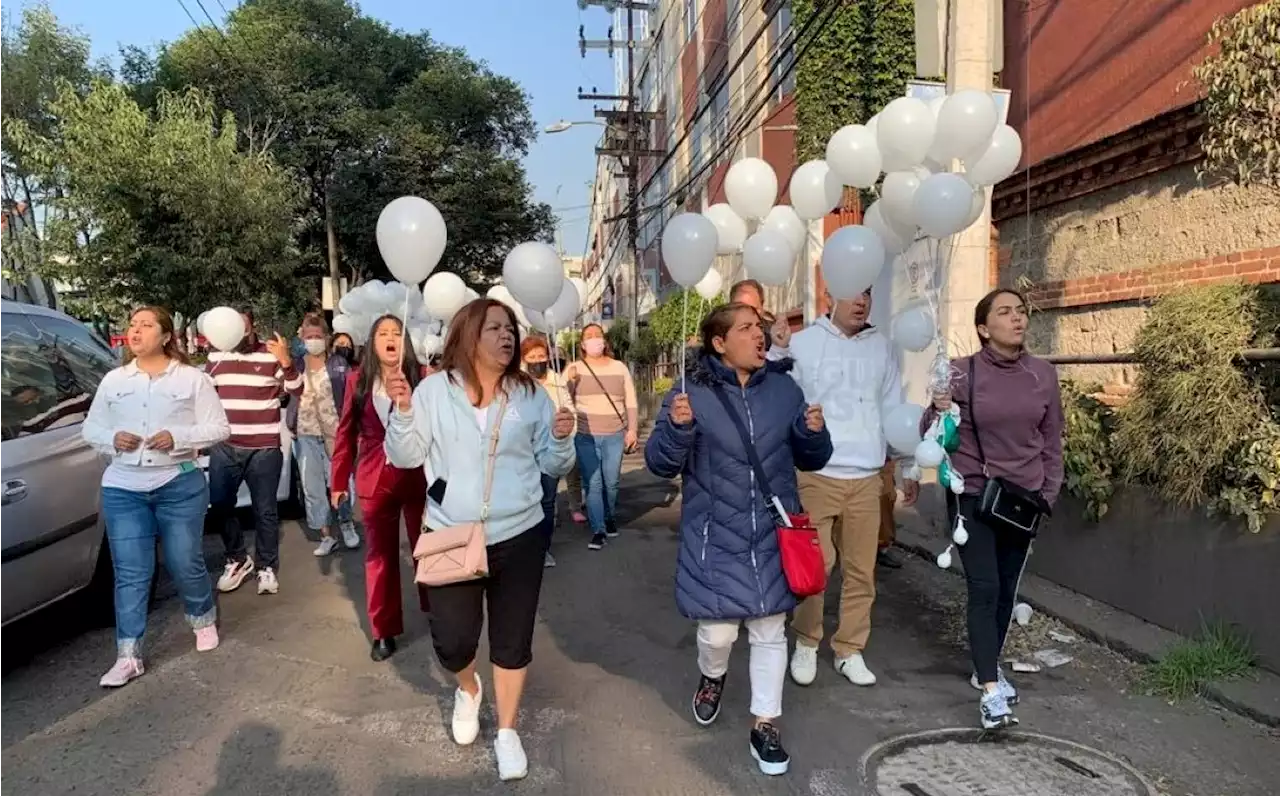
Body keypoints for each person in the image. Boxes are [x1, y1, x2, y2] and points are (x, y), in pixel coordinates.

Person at [384, 299, 575, 782]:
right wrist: (403, 411)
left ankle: (508, 731)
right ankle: (468, 689)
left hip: (521, 533)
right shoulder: (430, 391)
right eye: (495, 328)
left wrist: (561, 438)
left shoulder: (531, 395)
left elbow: (553, 465)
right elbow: (405, 457)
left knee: (513, 640)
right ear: (468, 334)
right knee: (452, 641)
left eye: (510, 328)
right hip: (450, 534)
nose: (507, 337)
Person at [645, 303, 832, 776]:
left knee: (771, 629)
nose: (759, 336)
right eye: (746, 329)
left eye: (760, 327)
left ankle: (764, 724)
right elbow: (660, 463)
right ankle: (712, 677)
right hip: (716, 534)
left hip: (773, 531)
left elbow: (811, 457)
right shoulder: (689, 393)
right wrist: (678, 429)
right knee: (719, 631)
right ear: (719, 343)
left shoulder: (784, 388)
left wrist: (813, 433)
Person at [924, 288, 1063, 729]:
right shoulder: (960, 373)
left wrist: (1049, 494)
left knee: (1005, 589)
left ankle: (988, 663)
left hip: (1023, 501)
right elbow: (929, 432)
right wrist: (937, 407)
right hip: (973, 496)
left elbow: (1052, 440)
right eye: (1005, 312)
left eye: (1021, 311)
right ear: (984, 328)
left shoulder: (1043, 374)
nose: (1017, 318)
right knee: (983, 588)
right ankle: (989, 690)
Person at [771, 287, 918, 689]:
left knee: (861, 570)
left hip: (867, 474)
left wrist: (905, 465)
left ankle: (849, 648)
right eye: (854, 293)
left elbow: (892, 406)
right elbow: (777, 394)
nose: (863, 302)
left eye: (869, 293)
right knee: (815, 568)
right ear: (831, 292)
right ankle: (805, 641)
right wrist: (777, 352)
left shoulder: (882, 348)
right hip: (817, 472)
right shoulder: (802, 343)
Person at [82, 306, 230, 687]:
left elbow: (219, 427)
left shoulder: (192, 379)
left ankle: (202, 617)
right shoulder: (114, 381)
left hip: (178, 484)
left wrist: (178, 439)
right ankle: (128, 655)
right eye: (132, 325)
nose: (136, 331)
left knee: (184, 561)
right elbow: (91, 428)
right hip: (124, 488)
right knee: (131, 573)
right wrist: (110, 439)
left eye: (146, 325)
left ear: (165, 336)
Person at [330, 314, 430, 662]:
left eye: (398, 333)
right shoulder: (358, 381)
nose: (391, 338)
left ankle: (436, 608)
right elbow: (345, 433)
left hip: (418, 474)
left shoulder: (424, 377)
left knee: (427, 547)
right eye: (383, 333)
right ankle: (383, 630)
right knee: (380, 557)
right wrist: (339, 480)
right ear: (372, 342)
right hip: (375, 477)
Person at [206, 309, 302, 596]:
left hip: (263, 449)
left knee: (265, 511)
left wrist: (286, 362)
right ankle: (237, 558)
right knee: (220, 505)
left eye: (243, 326)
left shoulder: (270, 355)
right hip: (225, 447)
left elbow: (298, 390)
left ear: (251, 327)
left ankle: (266, 566)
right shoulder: (215, 358)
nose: (238, 333)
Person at [287, 313, 359, 556]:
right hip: (306, 433)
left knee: (340, 481)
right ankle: (326, 534)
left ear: (327, 338)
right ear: (302, 338)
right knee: (312, 486)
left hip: (335, 433)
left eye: (318, 336)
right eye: (309, 337)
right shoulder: (296, 364)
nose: (314, 340)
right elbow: (287, 389)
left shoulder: (338, 363)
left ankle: (347, 524)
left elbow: (351, 394)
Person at [564, 323, 637, 550]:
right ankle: (598, 530)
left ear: (605, 340)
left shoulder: (619, 367)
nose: (594, 339)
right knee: (593, 484)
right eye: (589, 336)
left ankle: (609, 517)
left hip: (615, 434)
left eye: (598, 335)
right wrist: (570, 381)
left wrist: (632, 429)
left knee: (612, 482)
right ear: (582, 344)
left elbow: (631, 400)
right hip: (586, 435)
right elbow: (564, 400)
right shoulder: (574, 369)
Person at [520, 335, 578, 568]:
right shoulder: (517, 384)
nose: (537, 361)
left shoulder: (557, 382)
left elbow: (570, 410)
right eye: (532, 357)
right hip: (524, 453)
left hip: (551, 451)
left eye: (541, 356)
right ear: (524, 360)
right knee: (525, 502)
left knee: (547, 502)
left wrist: (566, 435)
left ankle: (543, 549)